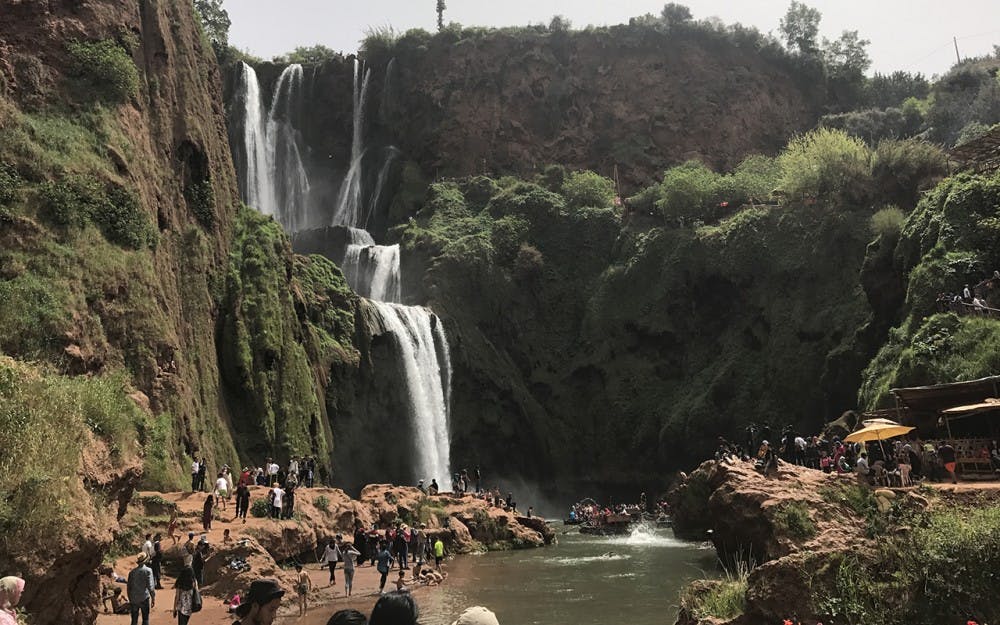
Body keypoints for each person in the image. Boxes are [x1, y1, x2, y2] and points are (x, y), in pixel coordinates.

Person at [127, 553, 156, 625]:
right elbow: (151, 587)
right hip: (144, 598)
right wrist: (153, 598)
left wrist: (130, 598)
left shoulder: (132, 572)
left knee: (134, 620)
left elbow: (129, 587)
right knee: (145, 619)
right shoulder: (148, 571)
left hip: (134, 598)